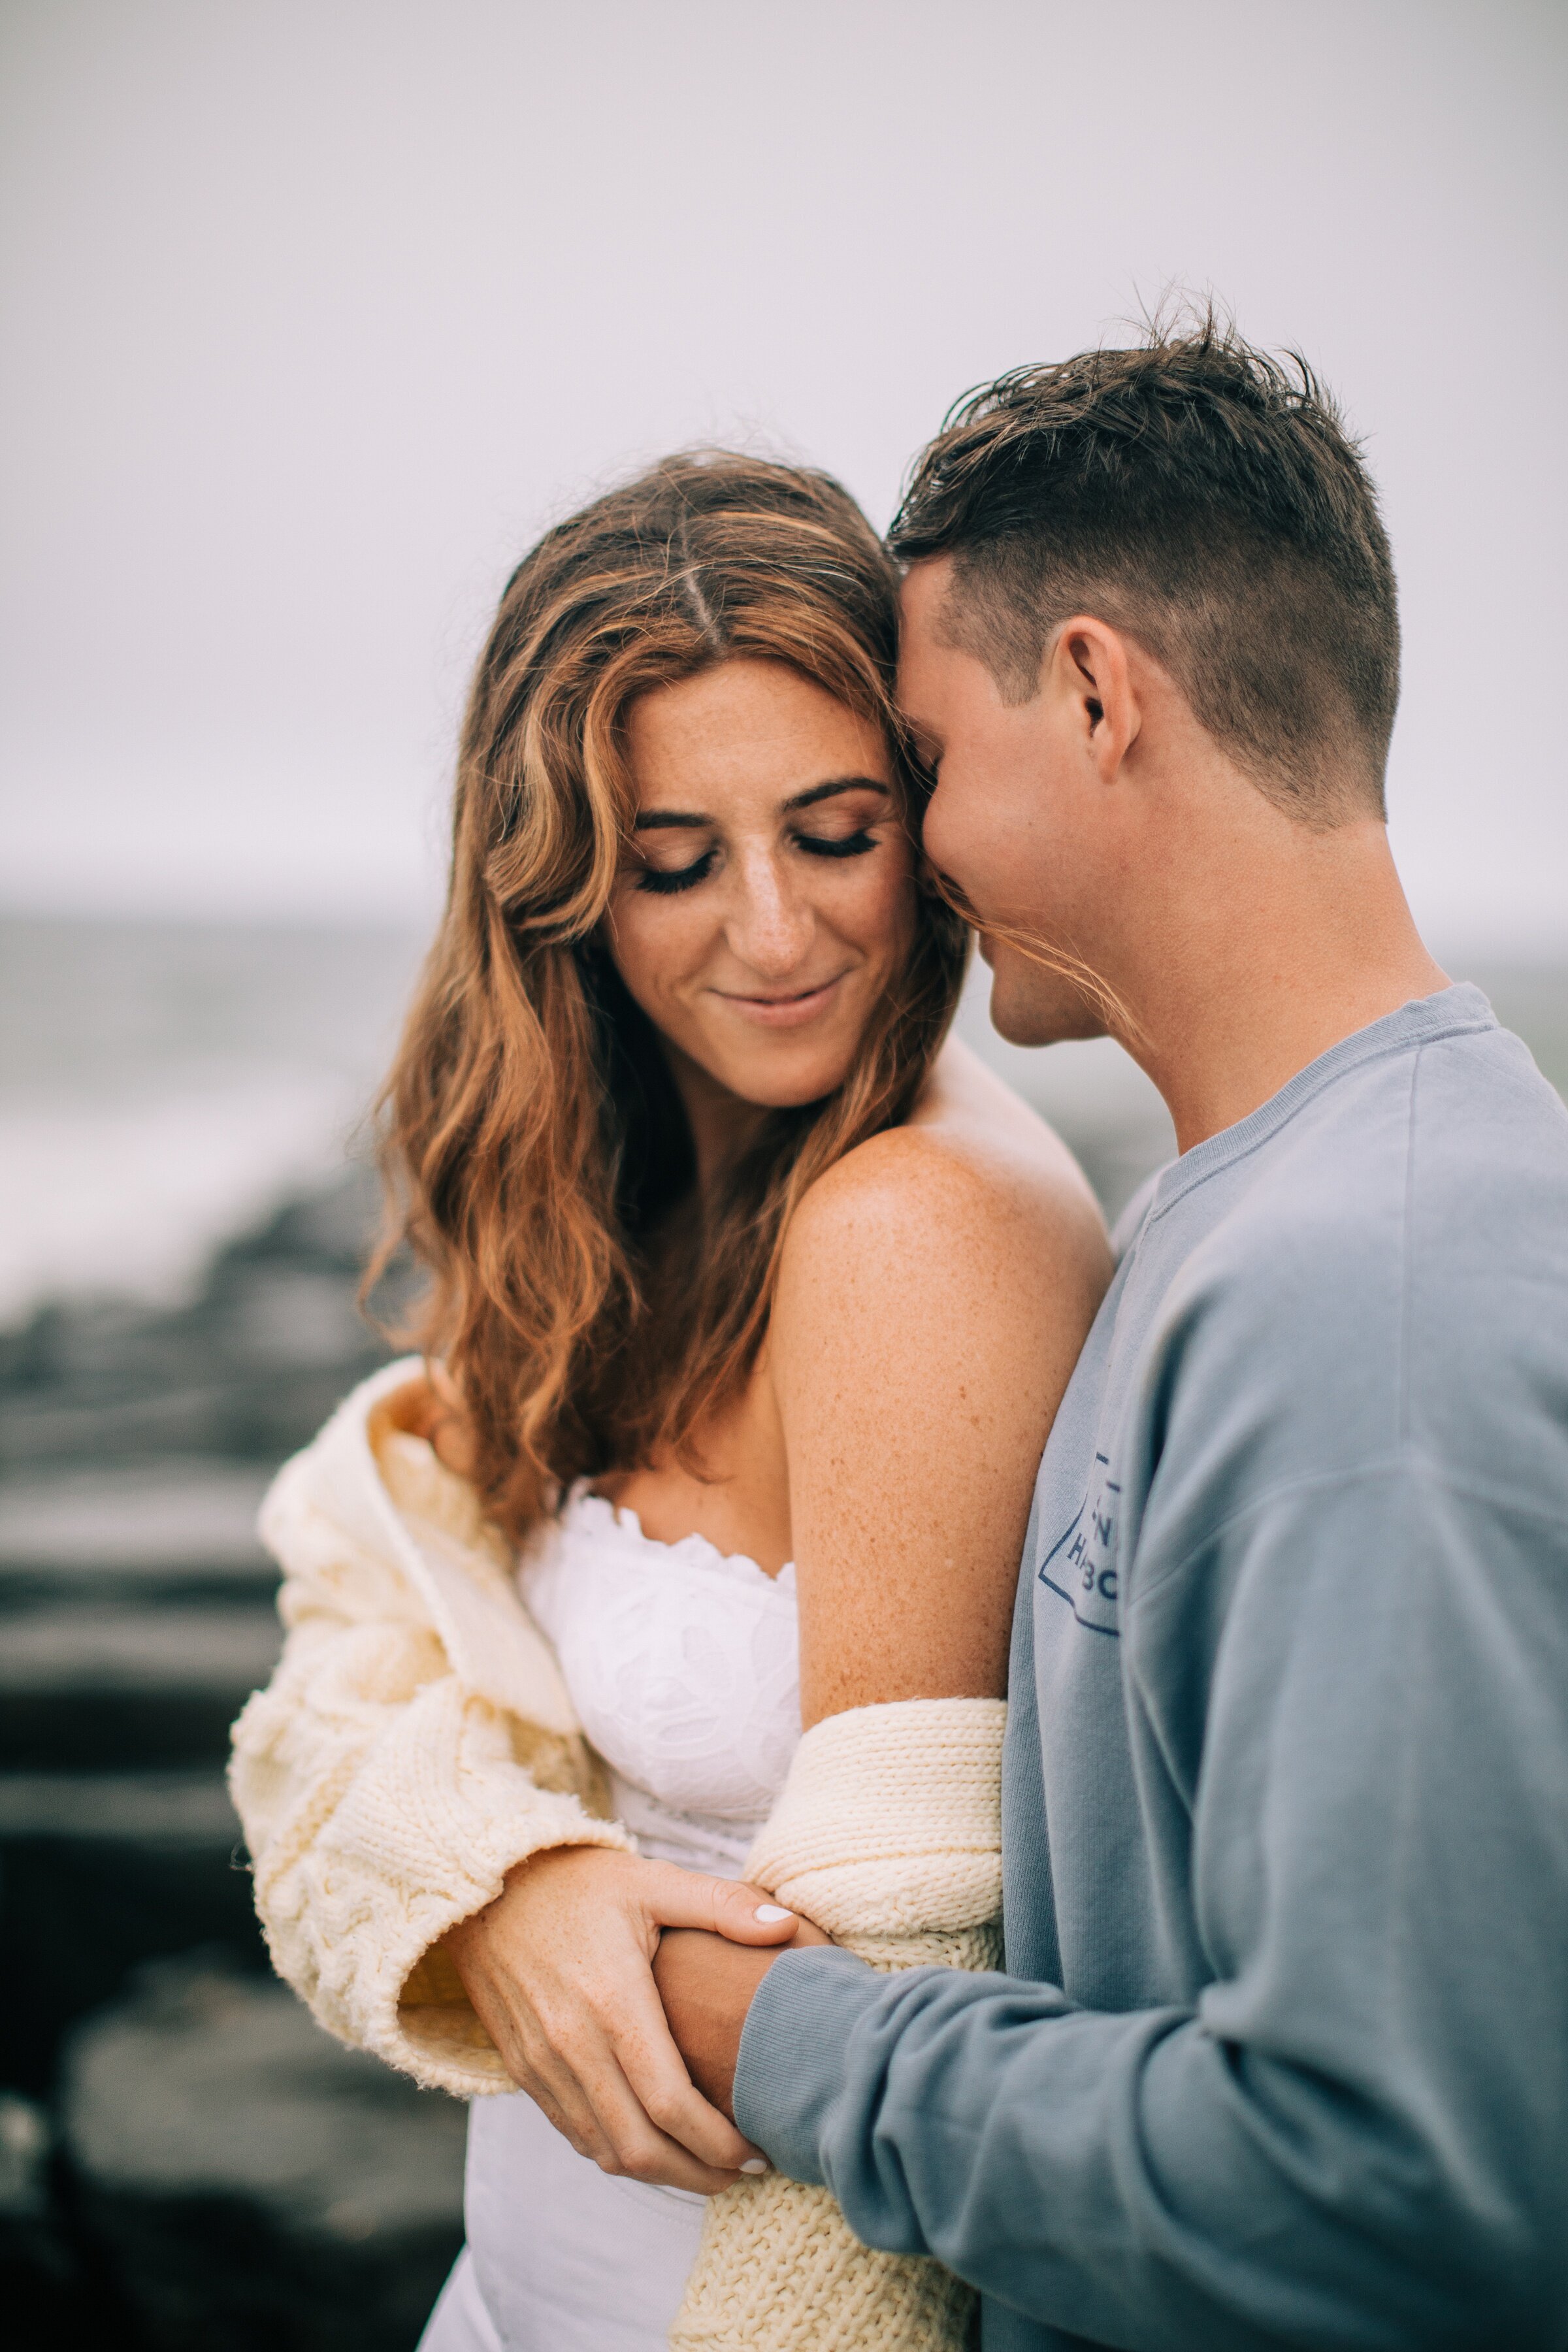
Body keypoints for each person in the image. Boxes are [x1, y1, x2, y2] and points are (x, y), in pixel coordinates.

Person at [654, 325, 1568, 2348]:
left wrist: (794, 2044)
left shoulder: (1373, 1303)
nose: (913, 847)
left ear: (1092, 692)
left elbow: (1398, 2188)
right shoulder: (1246, 1209)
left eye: (923, 764)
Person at [229, 451, 1111, 2350]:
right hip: (507, 2299)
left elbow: (907, 2002)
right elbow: (361, 1637)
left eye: (837, 829)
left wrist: (503, 1890)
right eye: (676, 861)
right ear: (561, 888)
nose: (777, 936)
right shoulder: (625, 1210)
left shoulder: (918, 1223)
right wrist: (499, 1889)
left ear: (929, 819)